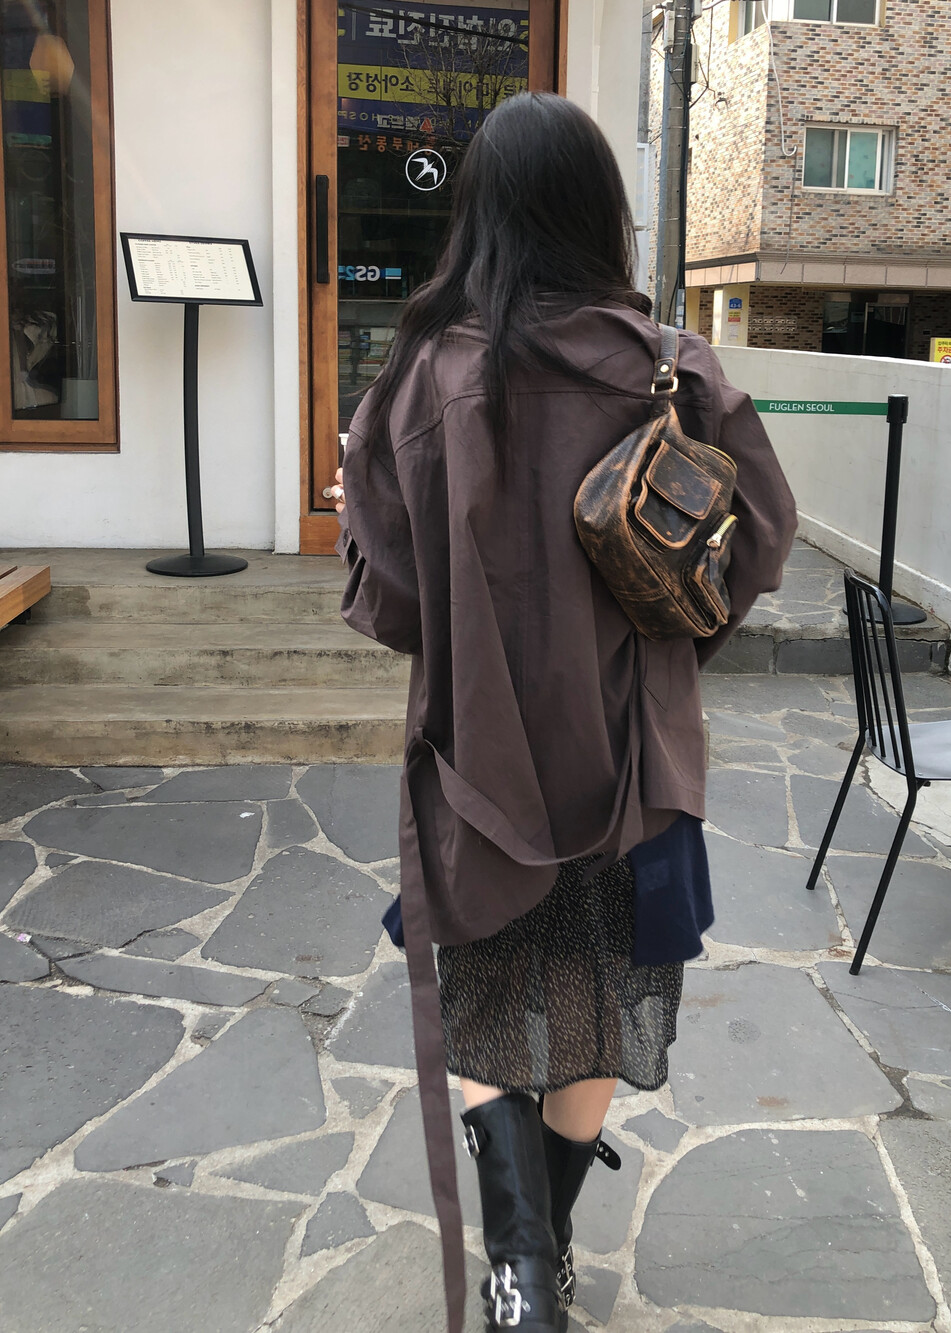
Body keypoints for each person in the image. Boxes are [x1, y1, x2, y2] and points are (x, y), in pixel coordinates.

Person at [332, 92, 796, 1333]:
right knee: (600, 1009)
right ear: (601, 213)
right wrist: (670, 633)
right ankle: (538, 1266)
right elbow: (757, 545)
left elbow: (390, 601)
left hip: (480, 764)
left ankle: (519, 1276)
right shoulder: (671, 371)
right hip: (634, 765)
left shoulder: (420, 377)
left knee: (486, 1004)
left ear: (478, 211)